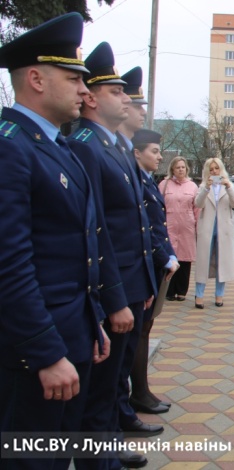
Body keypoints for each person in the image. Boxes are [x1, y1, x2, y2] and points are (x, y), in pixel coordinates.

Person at [0, 13, 112, 470]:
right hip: (37, 355)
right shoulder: (10, 147)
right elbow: (11, 265)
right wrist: (45, 351)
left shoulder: (54, 146)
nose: (84, 91)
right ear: (36, 79)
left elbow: (77, 249)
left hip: (72, 339)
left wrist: (94, 320)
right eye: (73, 78)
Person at [69, 42, 160, 470]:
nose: (126, 98)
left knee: (111, 378)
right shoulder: (88, 146)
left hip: (127, 280)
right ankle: (99, 453)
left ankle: (107, 443)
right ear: (92, 97)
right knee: (101, 384)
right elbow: (98, 227)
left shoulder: (115, 146)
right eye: (116, 91)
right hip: (111, 285)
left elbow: (133, 220)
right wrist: (116, 293)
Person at [127, 128, 175, 418]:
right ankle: (139, 394)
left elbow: (159, 225)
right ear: (137, 153)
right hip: (145, 264)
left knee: (145, 329)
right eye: (154, 151)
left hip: (155, 263)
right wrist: (164, 256)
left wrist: (170, 255)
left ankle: (141, 392)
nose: (159, 156)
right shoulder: (137, 181)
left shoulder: (147, 181)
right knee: (140, 332)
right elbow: (145, 229)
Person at [194, 157, 234, 308]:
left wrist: (228, 187)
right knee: (203, 262)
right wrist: (206, 188)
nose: (214, 172)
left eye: (216, 168)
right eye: (211, 169)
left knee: (223, 263)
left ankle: (219, 295)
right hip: (207, 228)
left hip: (224, 229)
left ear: (221, 169)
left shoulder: (228, 185)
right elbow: (198, 204)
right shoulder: (202, 186)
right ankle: (199, 295)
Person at [160, 156, 199, 301]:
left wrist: (197, 226)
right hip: (169, 225)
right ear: (172, 169)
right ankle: (169, 290)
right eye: (178, 167)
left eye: (183, 167)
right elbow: (159, 205)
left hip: (187, 226)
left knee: (185, 259)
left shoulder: (192, 186)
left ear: (187, 169)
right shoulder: (164, 184)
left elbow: (197, 208)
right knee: (170, 256)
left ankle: (182, 290)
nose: (181, 169)